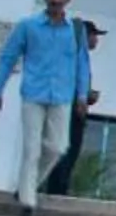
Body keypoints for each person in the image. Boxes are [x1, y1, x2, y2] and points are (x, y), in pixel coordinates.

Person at [0, 0, 92, 216]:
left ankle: (27, 187)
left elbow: (82, 64)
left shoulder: (75, 29)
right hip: (34, 93)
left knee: (57, 147)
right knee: (31, 147)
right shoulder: (28, 25)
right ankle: (27, 201)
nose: (56, 0)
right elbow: (7, 57)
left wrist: (82, 95)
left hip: (63, 95)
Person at [42, 20, 105, 197]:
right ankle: (57, 188)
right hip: (69, 111)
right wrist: (82, 97)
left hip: (71, 108)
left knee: (68, 150)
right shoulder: (74, 57)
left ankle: (59, 187)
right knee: (66, 149)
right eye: (94, 36)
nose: (96, 41)